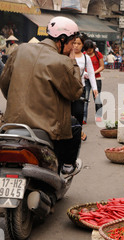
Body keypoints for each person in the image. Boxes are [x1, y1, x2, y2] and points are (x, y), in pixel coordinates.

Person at [0, 16, 83, 176]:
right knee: (75, 127)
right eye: (72, 43)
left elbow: (4, 84)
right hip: (47, 128)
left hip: (12, 122)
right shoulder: (62, 62)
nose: (73, 48)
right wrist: (73, 63)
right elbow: (75, 92)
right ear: (62, 39)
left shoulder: (20, 50)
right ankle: (67, 166)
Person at [72, 36, 98, 141]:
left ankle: (78, 133)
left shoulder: (86, 58)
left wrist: (95, 88)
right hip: (67, 89)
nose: (76, 46)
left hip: (80, 89)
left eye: (78, 44)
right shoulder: (66, 56)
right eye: (74, 43)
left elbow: (91, 73)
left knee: (78, 112)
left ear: (82, 45)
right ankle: (74, 133)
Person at [83, 39, 104, 126]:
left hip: (97, 78)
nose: (89, 52)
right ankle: (84, 118)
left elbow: (102, 66)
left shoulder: (98, 54)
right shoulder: (83, 55)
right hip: (86, 79)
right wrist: (85, 73)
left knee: (97, 97)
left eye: (90, 50)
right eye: (87, 50)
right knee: (85, 98)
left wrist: (94, 72)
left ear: (93, 48)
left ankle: (99, 116)